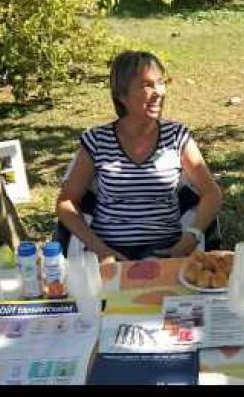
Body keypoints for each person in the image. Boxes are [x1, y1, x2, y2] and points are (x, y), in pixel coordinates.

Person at [56, 50, 222, 262]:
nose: (159, 92)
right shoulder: (97, 140)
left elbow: (212, 193)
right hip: (111, 255)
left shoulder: (176, 136)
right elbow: (66, 202)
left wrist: (189, 240)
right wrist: (100, 250)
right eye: (147, 85)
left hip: (167, 252)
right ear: (121, 95)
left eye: (160, 82)